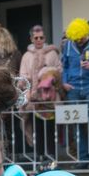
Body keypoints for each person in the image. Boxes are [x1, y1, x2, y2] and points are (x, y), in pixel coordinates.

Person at [60, 19, 89, 163]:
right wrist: (64, 82)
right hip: (73, 87)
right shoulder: (69, 44)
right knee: (77, 125)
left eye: (80, 39)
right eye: (76, 39)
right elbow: (65, 66)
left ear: (85, 33)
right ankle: (82, 159)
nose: (78, 41)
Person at [17, 25, 61, 160]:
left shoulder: (52, 53)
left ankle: (52, 155)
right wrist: (29, 83)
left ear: (45, 38)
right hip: (34, 97)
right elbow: (22, 75)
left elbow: (59, 70)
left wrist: (50, 74)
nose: (39, 40)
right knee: (37, 127)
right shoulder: (26, 56)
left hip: (50, 97)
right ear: (31, 39)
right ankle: (40, 155)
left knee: (51, 128)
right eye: (36, 38)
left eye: (41, 37)